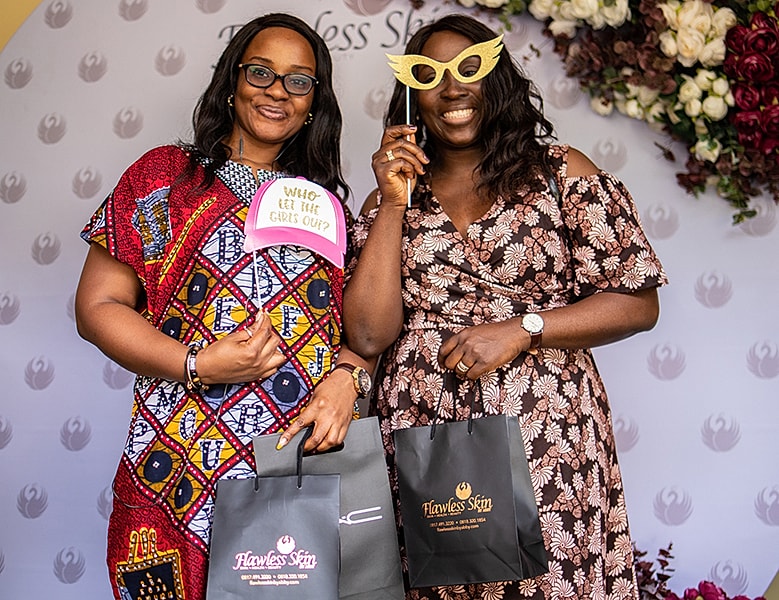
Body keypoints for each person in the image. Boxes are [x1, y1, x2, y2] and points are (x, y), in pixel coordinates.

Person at [343, 13, 668, 600]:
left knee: (553, 583)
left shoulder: (559, 173)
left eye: (470, 68)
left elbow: (637, 302)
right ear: (411, 98)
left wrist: (525, 328)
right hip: (425, 436)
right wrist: (392, 203)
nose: (452, 88)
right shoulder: (386, 199)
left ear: (498, 80)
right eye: (431, 76)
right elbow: (367, 334)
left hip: (547, 433)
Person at [75, 13, 373, 600]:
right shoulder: (165, 176)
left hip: (293, 464)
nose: (276, 91)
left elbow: (361, 331)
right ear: (231, 83)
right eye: (260, 72)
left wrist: (346, 379)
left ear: (315, 103)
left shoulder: (324, 206)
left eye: (298, 80)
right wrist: (197, 364)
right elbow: (98, 306)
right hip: (176, 462)